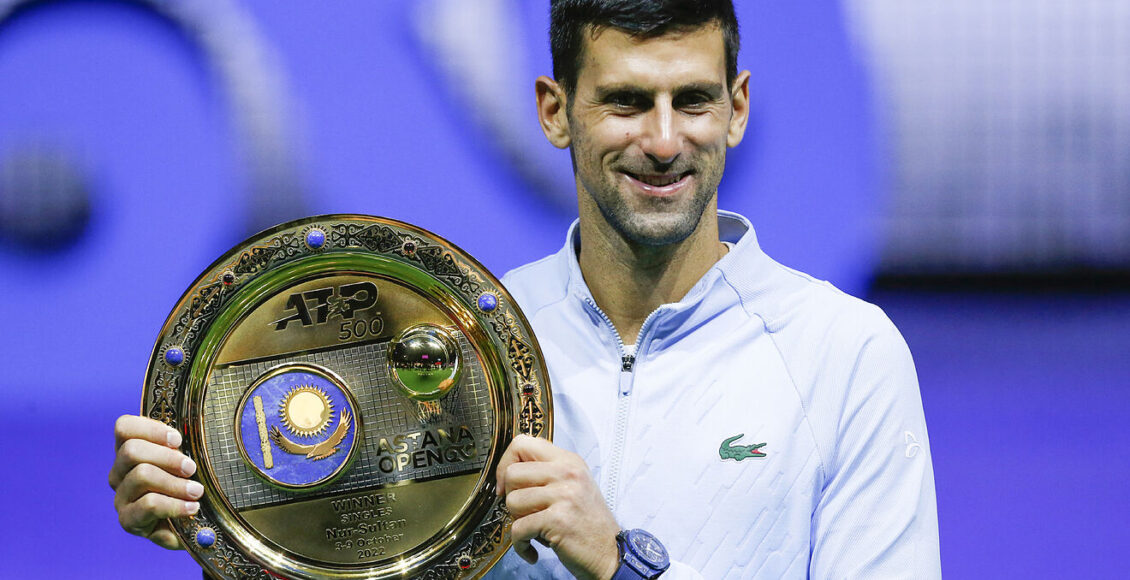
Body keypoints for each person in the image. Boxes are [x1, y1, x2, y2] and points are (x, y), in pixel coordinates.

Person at [111, 1, 941, 578]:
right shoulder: (457, 343)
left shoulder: (844, 352)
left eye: (691, 101)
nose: (663, 141)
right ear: (553, 112)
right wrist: (226, 522)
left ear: (738, 109)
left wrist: (621, 563)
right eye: (625, 102)